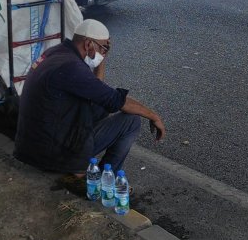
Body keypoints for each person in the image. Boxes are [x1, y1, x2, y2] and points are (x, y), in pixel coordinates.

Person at [14, 19, 166, 178]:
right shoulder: (71, 67)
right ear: (88, 44)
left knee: (101, 105)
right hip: (51, 154)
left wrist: (102, 57)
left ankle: (85, 169)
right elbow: (114, 99)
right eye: (103, 47)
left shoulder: (57, 53)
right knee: (131, 121)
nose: (104, 52)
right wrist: (154, 116)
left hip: (33, 145)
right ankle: (104, 178)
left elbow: (97, 91)